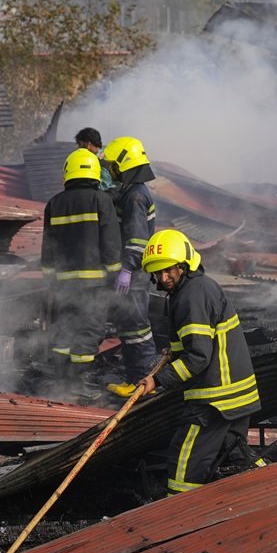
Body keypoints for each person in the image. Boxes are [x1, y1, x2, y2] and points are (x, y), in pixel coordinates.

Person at [137, 229, 261, 495]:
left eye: (168, 270)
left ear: (183, 265)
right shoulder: (198, 288)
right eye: (157, 273)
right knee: (237, 456)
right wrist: (174, 353)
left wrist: (157, 380)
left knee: (184, 464)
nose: (163, 278)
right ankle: (273, 486)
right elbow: (198, 344)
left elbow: (199, 357)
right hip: (237, 396)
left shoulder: (192, 296)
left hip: (215, 399)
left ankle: (176, 519)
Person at [40, 148, 121, 400]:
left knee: (65, 329)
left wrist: (51, 278)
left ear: (68, 173)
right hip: (93, 285)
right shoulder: (101, 200)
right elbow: (110, 243)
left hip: (64, 284)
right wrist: (115, 273)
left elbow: (48, 247)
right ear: (95, 173)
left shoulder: (54, 203)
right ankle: (76, 385)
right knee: (89, 331)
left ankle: (60, 382)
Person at [100, 136, 159, 393]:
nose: (109, 169)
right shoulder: (131, 191)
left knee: (137, 329)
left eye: (112, 165)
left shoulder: (135, 197)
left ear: (123, 165)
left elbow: (137, 240)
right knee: (128, 327)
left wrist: (126, 269)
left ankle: (143, 384)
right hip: (132, 275)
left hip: (133, 276)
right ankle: (134, 380)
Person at [74, 126, 114, 191]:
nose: (79, 148)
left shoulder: (99, 161)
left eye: (80, 144)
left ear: (88, 144)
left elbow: (106, 186)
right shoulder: (107, 157)